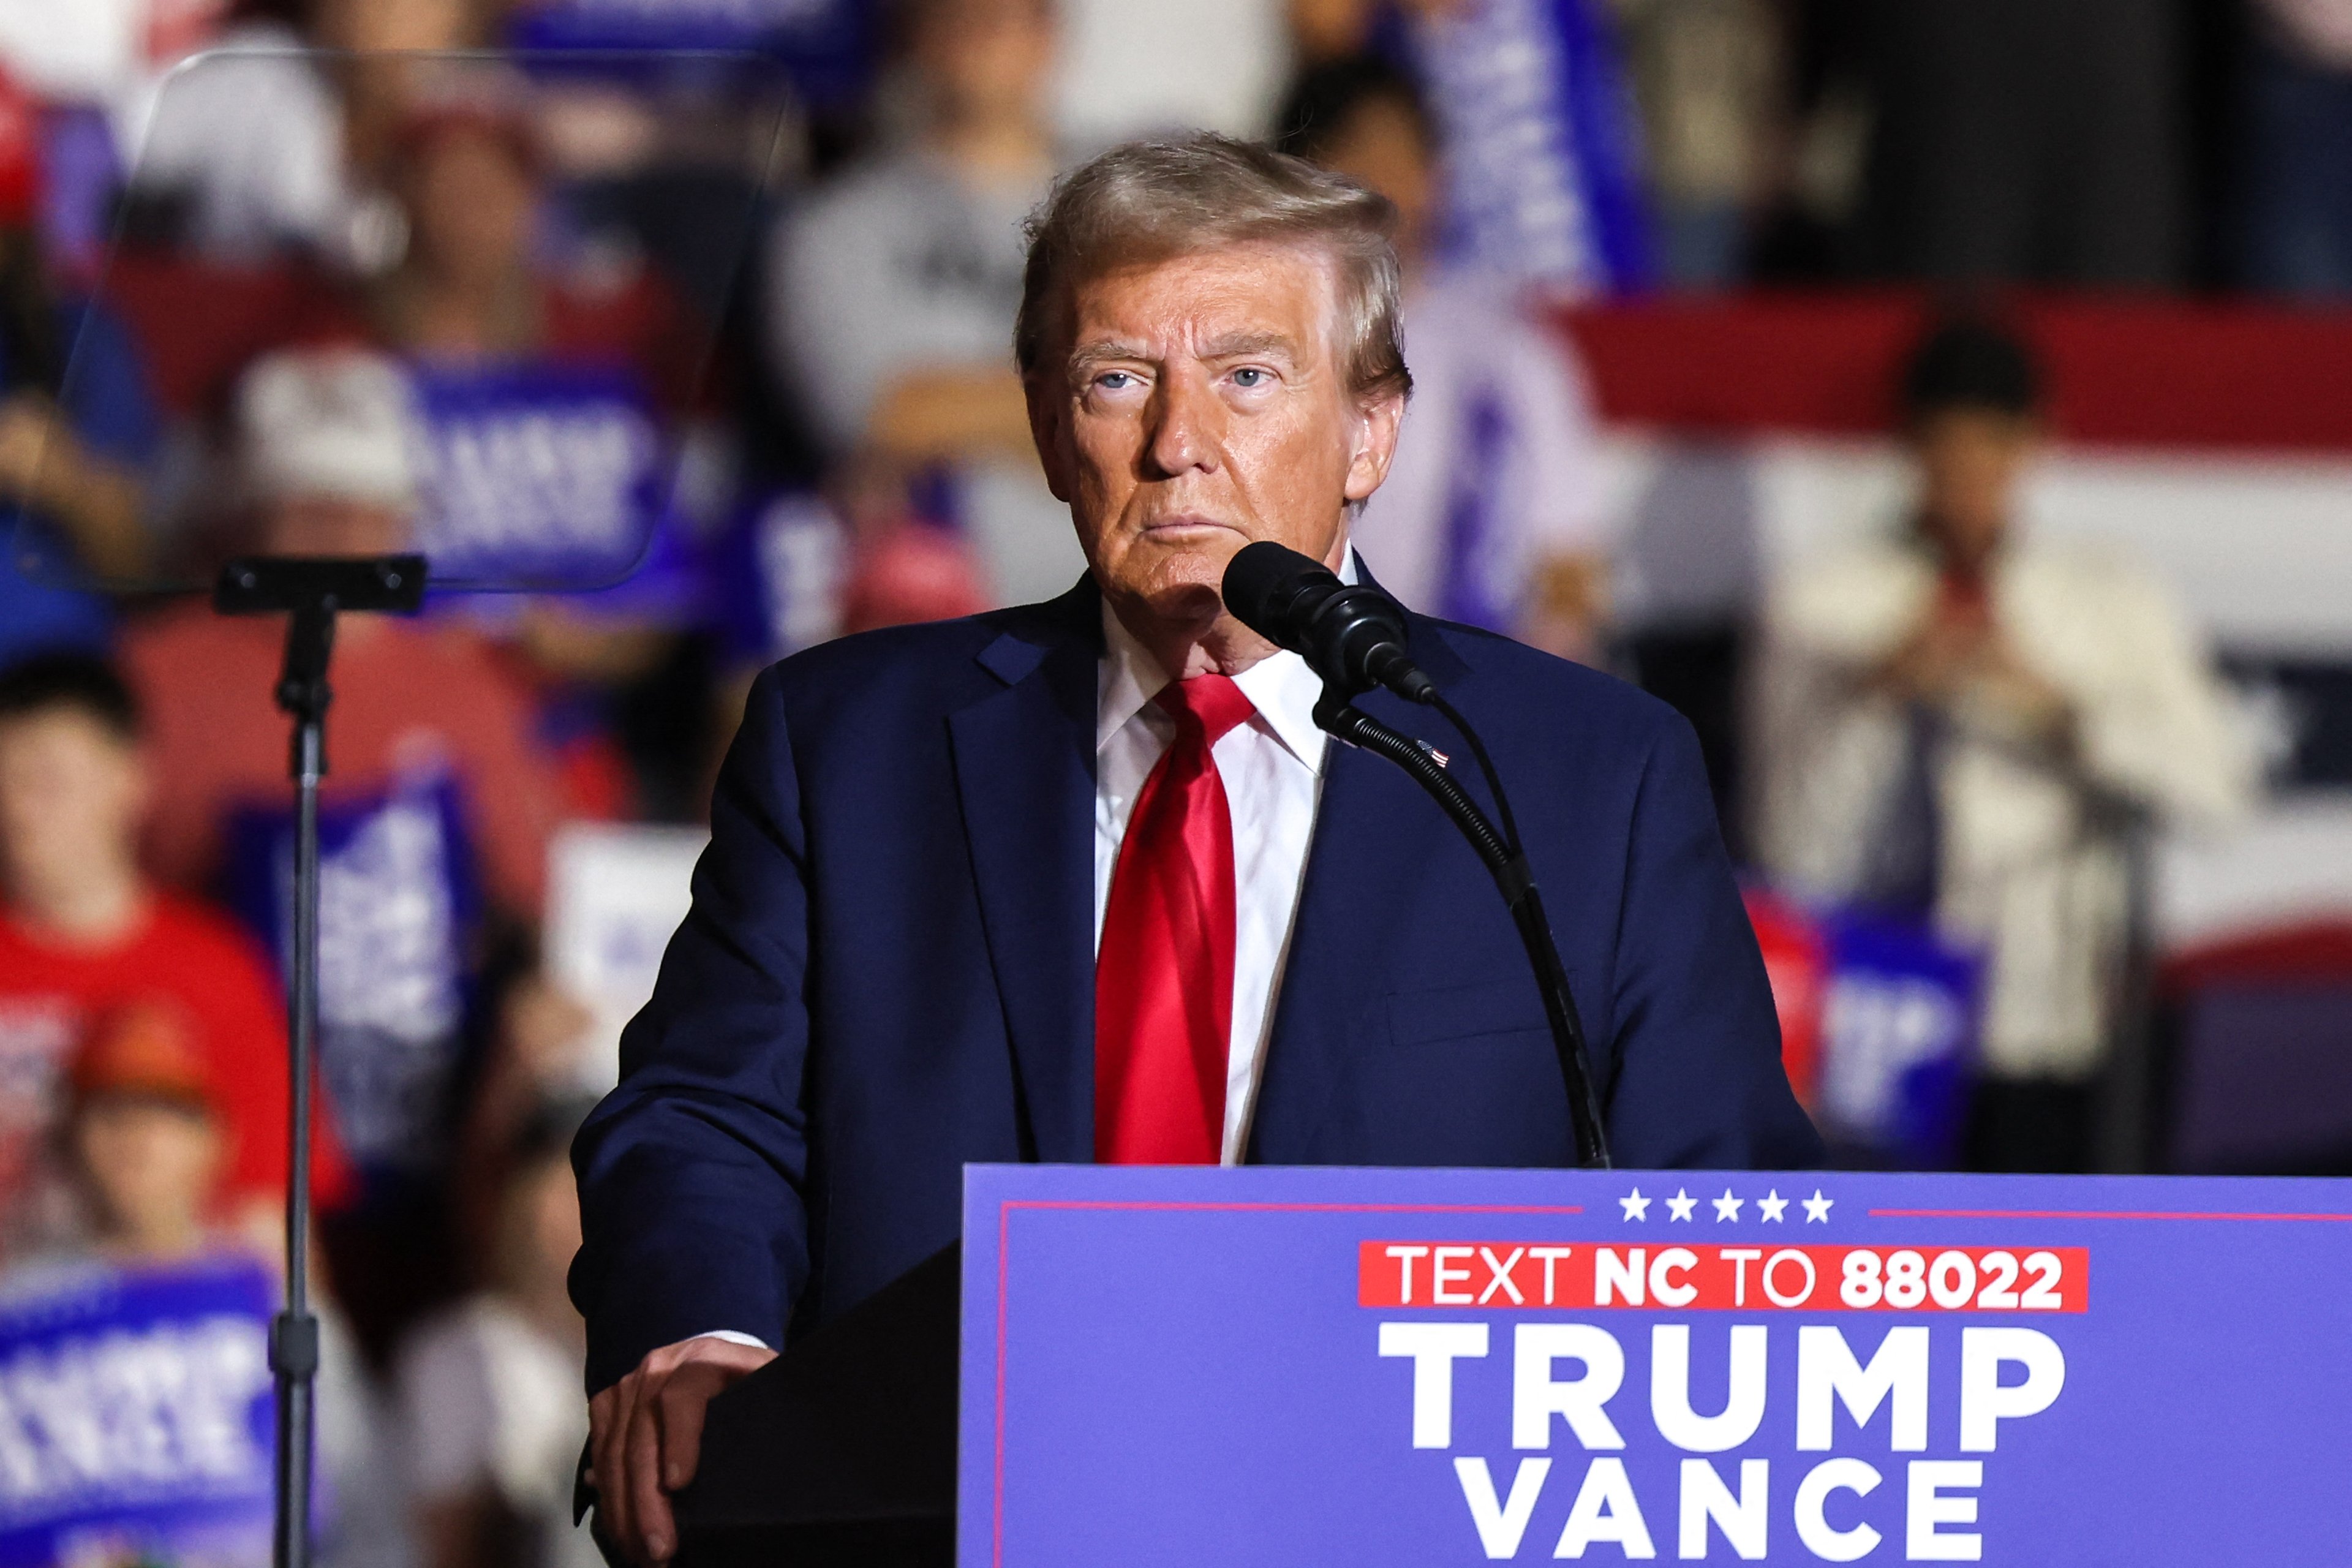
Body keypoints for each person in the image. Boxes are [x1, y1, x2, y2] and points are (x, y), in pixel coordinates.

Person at [575, 133, 1817, 1565]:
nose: (1177, 442)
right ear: (1049, 429)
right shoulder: (847, 743)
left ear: (1369, 431)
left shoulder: (1579, 776)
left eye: (1246, 375)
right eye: (1117, 380)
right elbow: (703, 1116)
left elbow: (1720, 1219)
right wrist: (699, 1337)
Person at [1751, 317, 2254, 1172]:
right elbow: (1785, 844)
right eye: (1947, 455)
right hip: (1877, 1013)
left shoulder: (2105, 597)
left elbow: (2222, 792)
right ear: (1908, 448)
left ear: (2036, 446)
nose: (1970, 484)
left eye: (1994, 453)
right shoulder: (1825, 601)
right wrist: (1876, 689)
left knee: (2046, 1278)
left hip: (2044, 1015)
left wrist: (2065, 712)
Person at [0, 652, 353, 1259]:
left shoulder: (215, 970)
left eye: (47, 781)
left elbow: (271, 1221)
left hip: (181, 1313)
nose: (19, 811)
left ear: (130, 780)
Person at [1278, 55, 1613, 661]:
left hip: (1458, 687)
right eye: (1356, 154)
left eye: (1402, 155)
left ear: (1438, 174)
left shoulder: (1510, 348)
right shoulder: (1246, 346)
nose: (1381, 178)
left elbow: (1569, 562)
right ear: (1298, 179)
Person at [766, 0, 1085, 608]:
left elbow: (1185, 384)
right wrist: (1091, 396)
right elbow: (880, 413)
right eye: (956, 16)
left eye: (1004, 16)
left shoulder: (1134, 203)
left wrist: (964, 406)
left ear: (1050, 34)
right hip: (935, 624)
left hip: (1136, 615)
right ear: (916, 40)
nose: (980, 34)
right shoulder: (832, 226)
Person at [398, 1098, 601, 1568]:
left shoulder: (679, 1348)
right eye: (565, 1186)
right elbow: (449, 1543)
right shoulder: (461, 1349)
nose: (587, 1207)